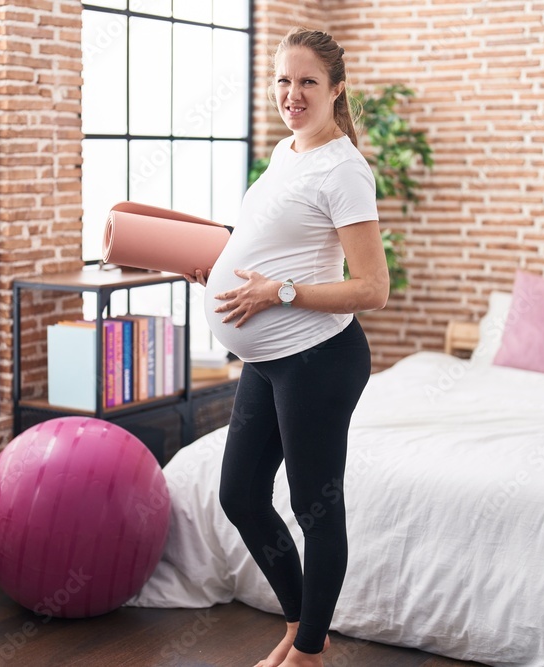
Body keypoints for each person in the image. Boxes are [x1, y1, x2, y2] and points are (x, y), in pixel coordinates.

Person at [183, 27, 389, 667]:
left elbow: (373, 288)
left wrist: (281, 293)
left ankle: (307, 652)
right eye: (282, 80)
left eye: (307, 82)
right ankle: (307, 628)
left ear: (336, 90)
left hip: (319, 360)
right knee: (240, 495)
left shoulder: (344, 169)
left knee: (313, 505)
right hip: (269, 361)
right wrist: (213, 265)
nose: (291, 94)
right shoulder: (286, 152)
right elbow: (268, 242)